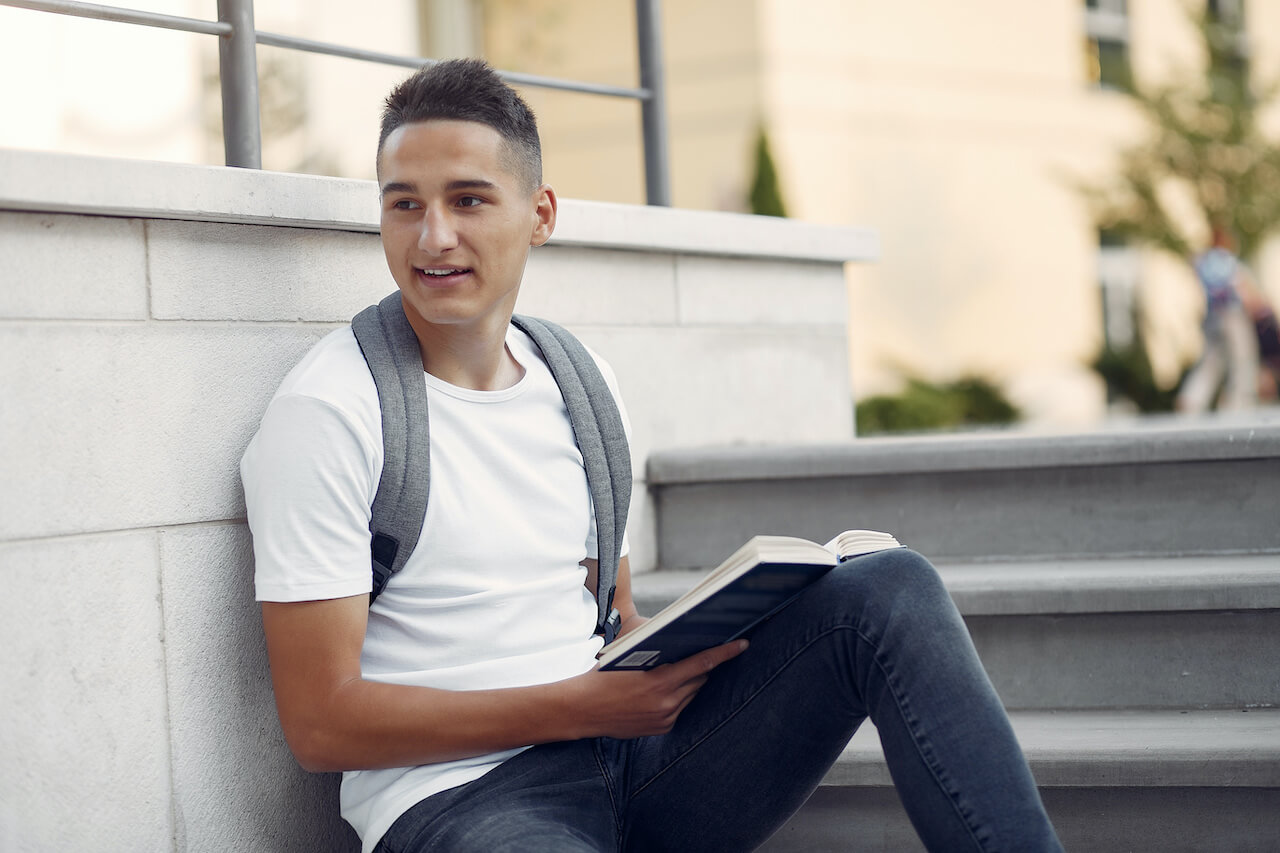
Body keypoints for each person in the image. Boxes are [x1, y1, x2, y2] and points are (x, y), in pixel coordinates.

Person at [241, 58, 1062, 853]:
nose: (435, 235)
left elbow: (612, 613)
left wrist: (688, 646)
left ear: (541, 213)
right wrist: (582, 705)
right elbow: (322, 724)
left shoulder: (578, 382)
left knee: (889, 586)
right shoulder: (333, 412)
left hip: (636, 759)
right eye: (405, 204)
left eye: (468, 199)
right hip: (462, 800)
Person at [1176, 225, 1261, 413]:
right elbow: (1238, 286)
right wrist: (1256, 305)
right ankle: (1240, 400)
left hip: (1212, 316)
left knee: (1211, 360)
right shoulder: (1226, 260)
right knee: (1242, 357)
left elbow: (1195, 269)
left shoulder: (1203, 261)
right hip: (1231, 313)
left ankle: (1192, 398)